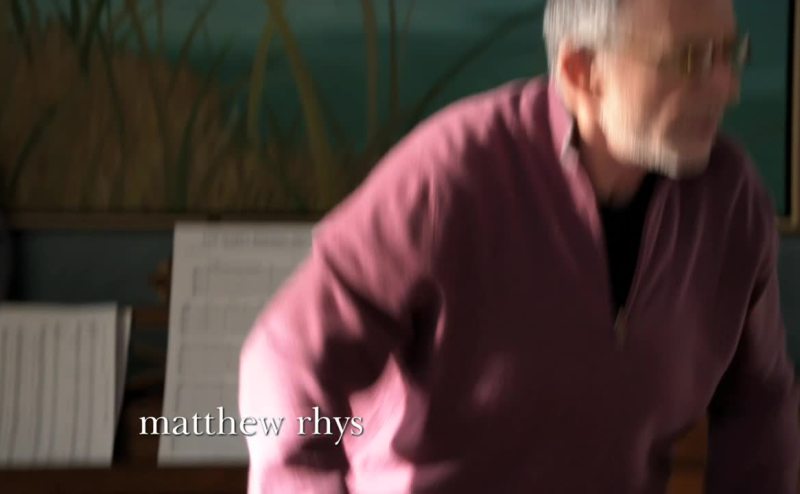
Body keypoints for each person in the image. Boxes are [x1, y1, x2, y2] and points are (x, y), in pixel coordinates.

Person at [238, 0, 800, 491]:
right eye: (691, 59)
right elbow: (286, 359)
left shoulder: (732, 201)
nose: (728, 87)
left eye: (730, 54)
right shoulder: (451, 174)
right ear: (582, 71)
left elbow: (761, 403)